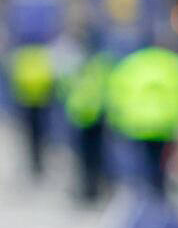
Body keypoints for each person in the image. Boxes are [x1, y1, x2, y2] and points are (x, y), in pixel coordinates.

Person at [106, 42, 178, 197]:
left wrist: (117, 118)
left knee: (143, 161)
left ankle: (145, 192)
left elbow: (118, 91)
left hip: (139, 124)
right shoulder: (175, 64)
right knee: (160, 161)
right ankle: (157, 191)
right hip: (165, 125)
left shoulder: (133, 63)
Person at [64, 45, 111, 204]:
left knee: (88, 158)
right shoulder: (101, 68)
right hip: (89, 118)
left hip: (87, 118)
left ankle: (91, 189)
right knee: (91, 157)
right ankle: (90, 189)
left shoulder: (82, 68)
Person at [6, 41, 56, 178]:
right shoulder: (42, 55)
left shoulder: (26, 56)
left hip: (32, 102)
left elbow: (15, 78)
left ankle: (36, 162)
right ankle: (36, 162)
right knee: (36, 135)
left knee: (34, 136)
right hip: (37, 102)